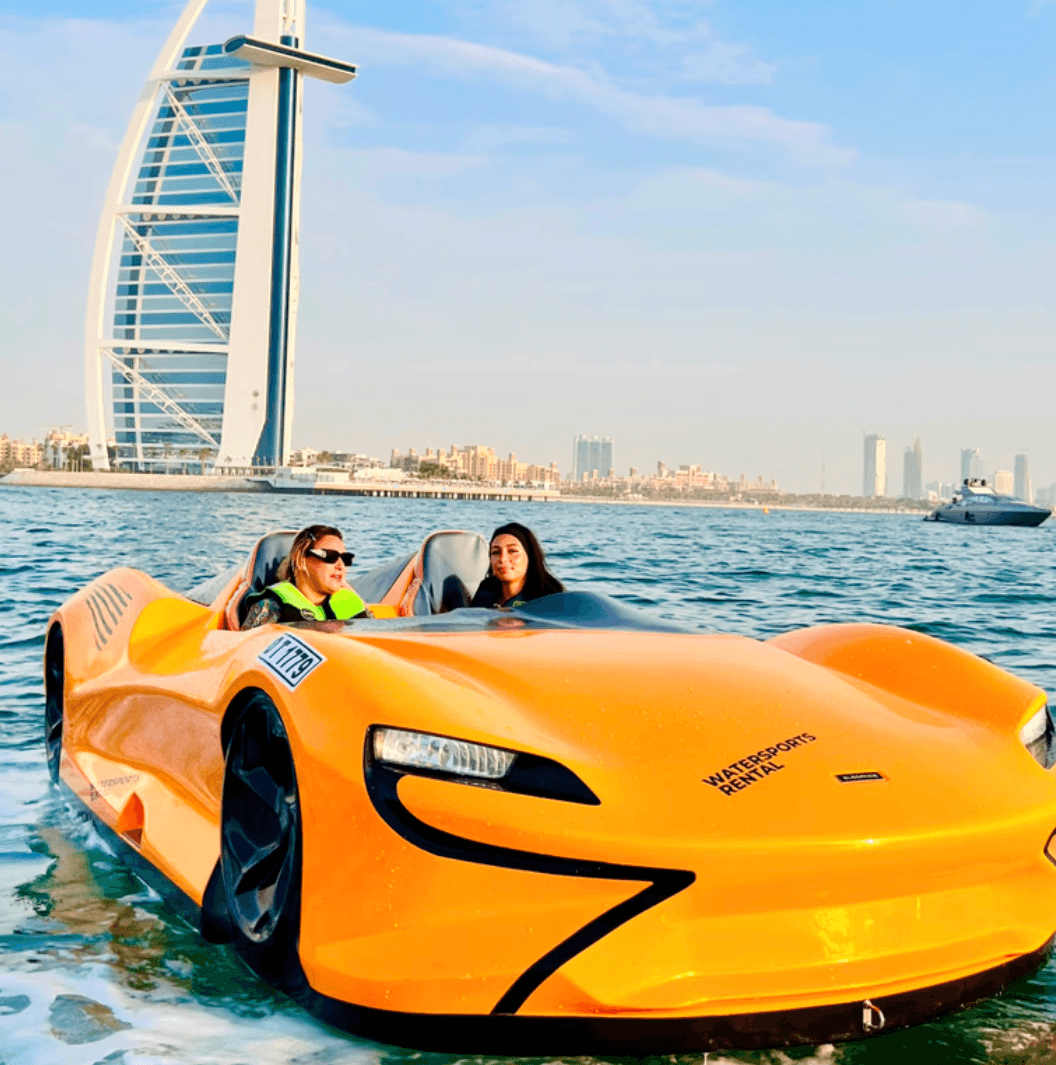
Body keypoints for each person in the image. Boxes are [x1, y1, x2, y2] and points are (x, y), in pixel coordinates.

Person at [242, 524, 369, 629]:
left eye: (345, 559)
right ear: (300, 561)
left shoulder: (351, 602)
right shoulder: (271, 605)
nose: (340, 565)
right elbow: (247, 650)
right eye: (330, 556)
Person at [470, 523, 565, 609]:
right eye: (496, 552)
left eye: (512, 551)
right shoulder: (486, 591)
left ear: (529, 556)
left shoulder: (549, 598)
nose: (503, 559)